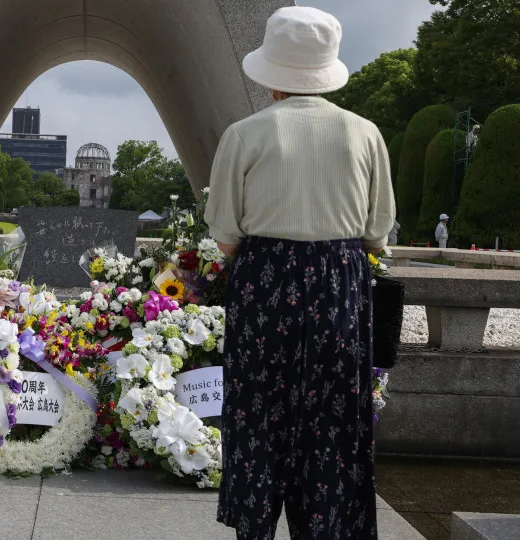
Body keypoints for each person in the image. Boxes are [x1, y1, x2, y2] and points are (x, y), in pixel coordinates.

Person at [205, 6, 394, 539]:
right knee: (334, 419)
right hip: (339, 280)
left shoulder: (244, 135)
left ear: (271, 76)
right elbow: (378, 231)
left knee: (257, 412)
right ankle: (328, 524)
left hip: (265, 278)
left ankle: (255, 522)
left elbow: (225, 234)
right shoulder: (365, 134)